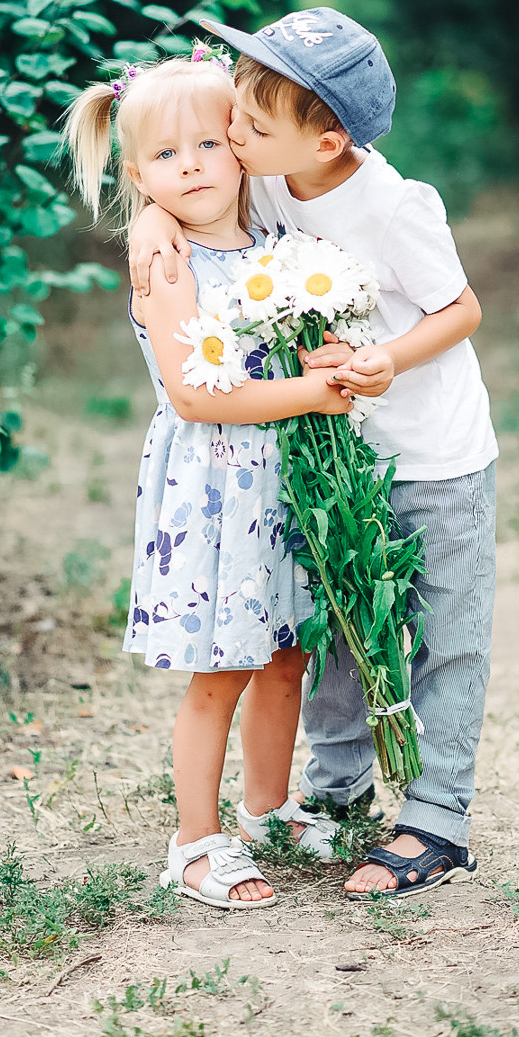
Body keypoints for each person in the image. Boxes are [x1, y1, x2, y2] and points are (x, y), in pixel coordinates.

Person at [129, 9, 498, 899]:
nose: (232, 143)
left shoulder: (391, 205)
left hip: (434, 450)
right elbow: (178, 167)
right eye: (233, 129)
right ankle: (333, 795)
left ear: (326, 139)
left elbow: (463, 309)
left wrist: (380, 361)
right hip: (335, 456)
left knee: (443, 636)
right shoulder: (268, 178)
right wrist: (147, 219)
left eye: (248, 130)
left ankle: (436, 817)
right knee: (330, 631)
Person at [64, 53, 347, 910]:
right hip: (217, 492)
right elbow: (195, 391)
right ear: (136, 175)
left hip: (285, 484)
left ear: (238, 148)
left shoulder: (272, 244)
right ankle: (193, 844)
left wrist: (324, 360)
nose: (188, 165)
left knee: (286, 655)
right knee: (221, 668)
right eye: (162, 156)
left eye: (206, 144)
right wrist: (316, 392)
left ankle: (266, 808)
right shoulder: (168, 261)